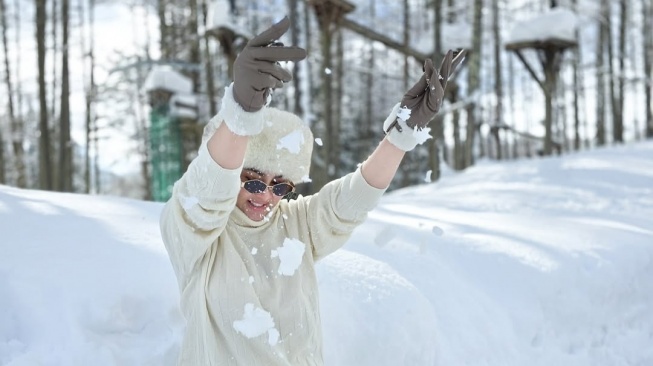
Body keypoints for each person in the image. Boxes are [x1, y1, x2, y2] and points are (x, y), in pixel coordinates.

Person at [160, 16, 463, 366]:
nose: (265, 196)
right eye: (253, 180)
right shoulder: (194, 232)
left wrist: (400, 138)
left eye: (281, 186)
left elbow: (350, 201)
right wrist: (240, 115)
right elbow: (208, 188)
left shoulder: (293, 225)